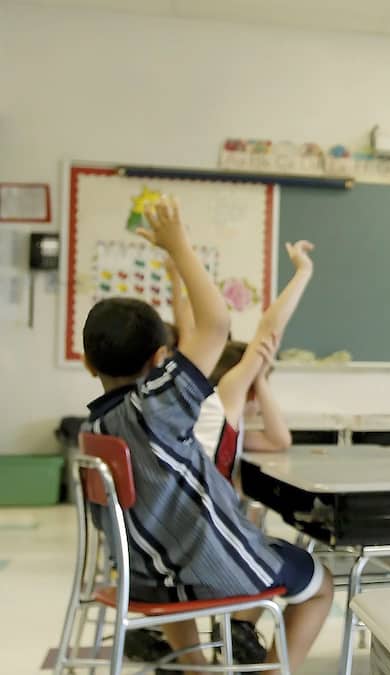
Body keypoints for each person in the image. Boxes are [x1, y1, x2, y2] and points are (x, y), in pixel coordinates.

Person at [80, 197, 332, 675]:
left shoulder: (94, 429)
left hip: (144, 576)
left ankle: (195, 666)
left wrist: (174, 264)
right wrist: (180, 247)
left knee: (183, 541)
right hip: (208, 569)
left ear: (87, 362)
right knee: (320, 583)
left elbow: (204, 325)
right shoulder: (172, 404)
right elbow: (230, 325)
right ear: (161, 359)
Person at [196, 241, 316, 482]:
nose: (259, 406)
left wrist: (259, 379)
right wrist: (303, 271)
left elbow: (279, 441)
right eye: (256, 396)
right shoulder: (217, 402)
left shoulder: (218, 422)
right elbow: (268, 330)